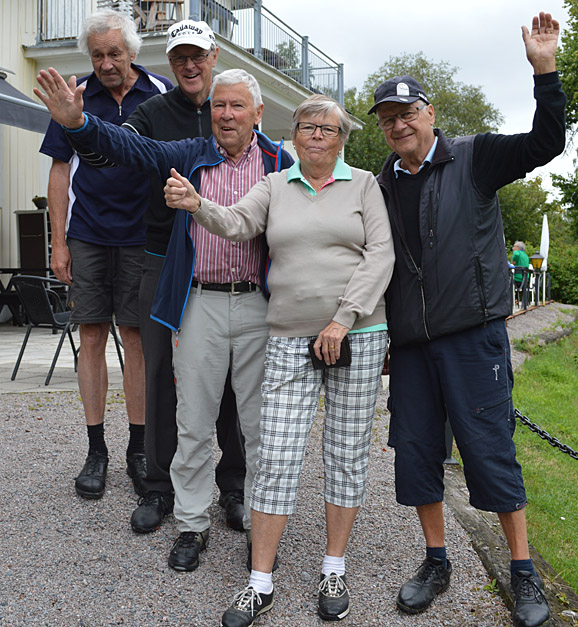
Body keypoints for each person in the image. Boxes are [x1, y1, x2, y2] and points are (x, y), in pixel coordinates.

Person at [35, 67, 294, 573]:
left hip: (260, 307)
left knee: (260, 426)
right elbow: (131, 150)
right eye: (219, 105)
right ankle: (192, 523)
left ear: (258, 113)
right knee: (192, 419)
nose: (226, 115)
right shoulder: (188, 155)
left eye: (237, 106)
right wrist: (79, 123)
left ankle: (260, 529)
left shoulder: (280, 164)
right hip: (200, 303)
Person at [164, 94, 395, 626]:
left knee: (345, 451)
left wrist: (343, 318)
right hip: (290, 335)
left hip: (358, 334)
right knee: (278, 454)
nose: (316, 134)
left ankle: (333, 567)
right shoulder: (274, 185)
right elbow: (237, 223)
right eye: (307, 126)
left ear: (342, 139)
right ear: (292, 135)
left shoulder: (364, 185)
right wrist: (198, 204)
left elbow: (380, 255)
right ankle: (259, 581)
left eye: (328, 128)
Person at [369, 12, 564, 627]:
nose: (400, 125)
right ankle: (436, 559)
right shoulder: (378, 185)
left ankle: (523, 573)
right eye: (388, 118)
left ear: (430, 113)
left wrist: (544, 71)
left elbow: (546, 142)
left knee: (490, 452)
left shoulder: (475, 158)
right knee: (417, 454)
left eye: (408, 113)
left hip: (474, 340)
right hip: (411, 350)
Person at [118, 19, 247, 536]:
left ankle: (233, 484)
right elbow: (123, 149)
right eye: (179, 59)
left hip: (224, 266)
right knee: (159, 377)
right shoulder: (151, 112)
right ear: (171, 66)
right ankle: (159, 486)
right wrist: (80, 127)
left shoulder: (231, 106)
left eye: (197, 56)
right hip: (161, 257)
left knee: (233, 380)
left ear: (213, 56)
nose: (190, 66)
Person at [38, 9, 173, 500]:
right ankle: (97, 449)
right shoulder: (74, 97)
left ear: (133, 51)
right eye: (98, 55)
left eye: (115, 53)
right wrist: (58, 241)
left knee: (136, 337)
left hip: (142, 236)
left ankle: (139, 448)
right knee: (91, 334)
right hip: (89, 233)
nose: (107, 63)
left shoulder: (158, 93)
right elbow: (59, 171)